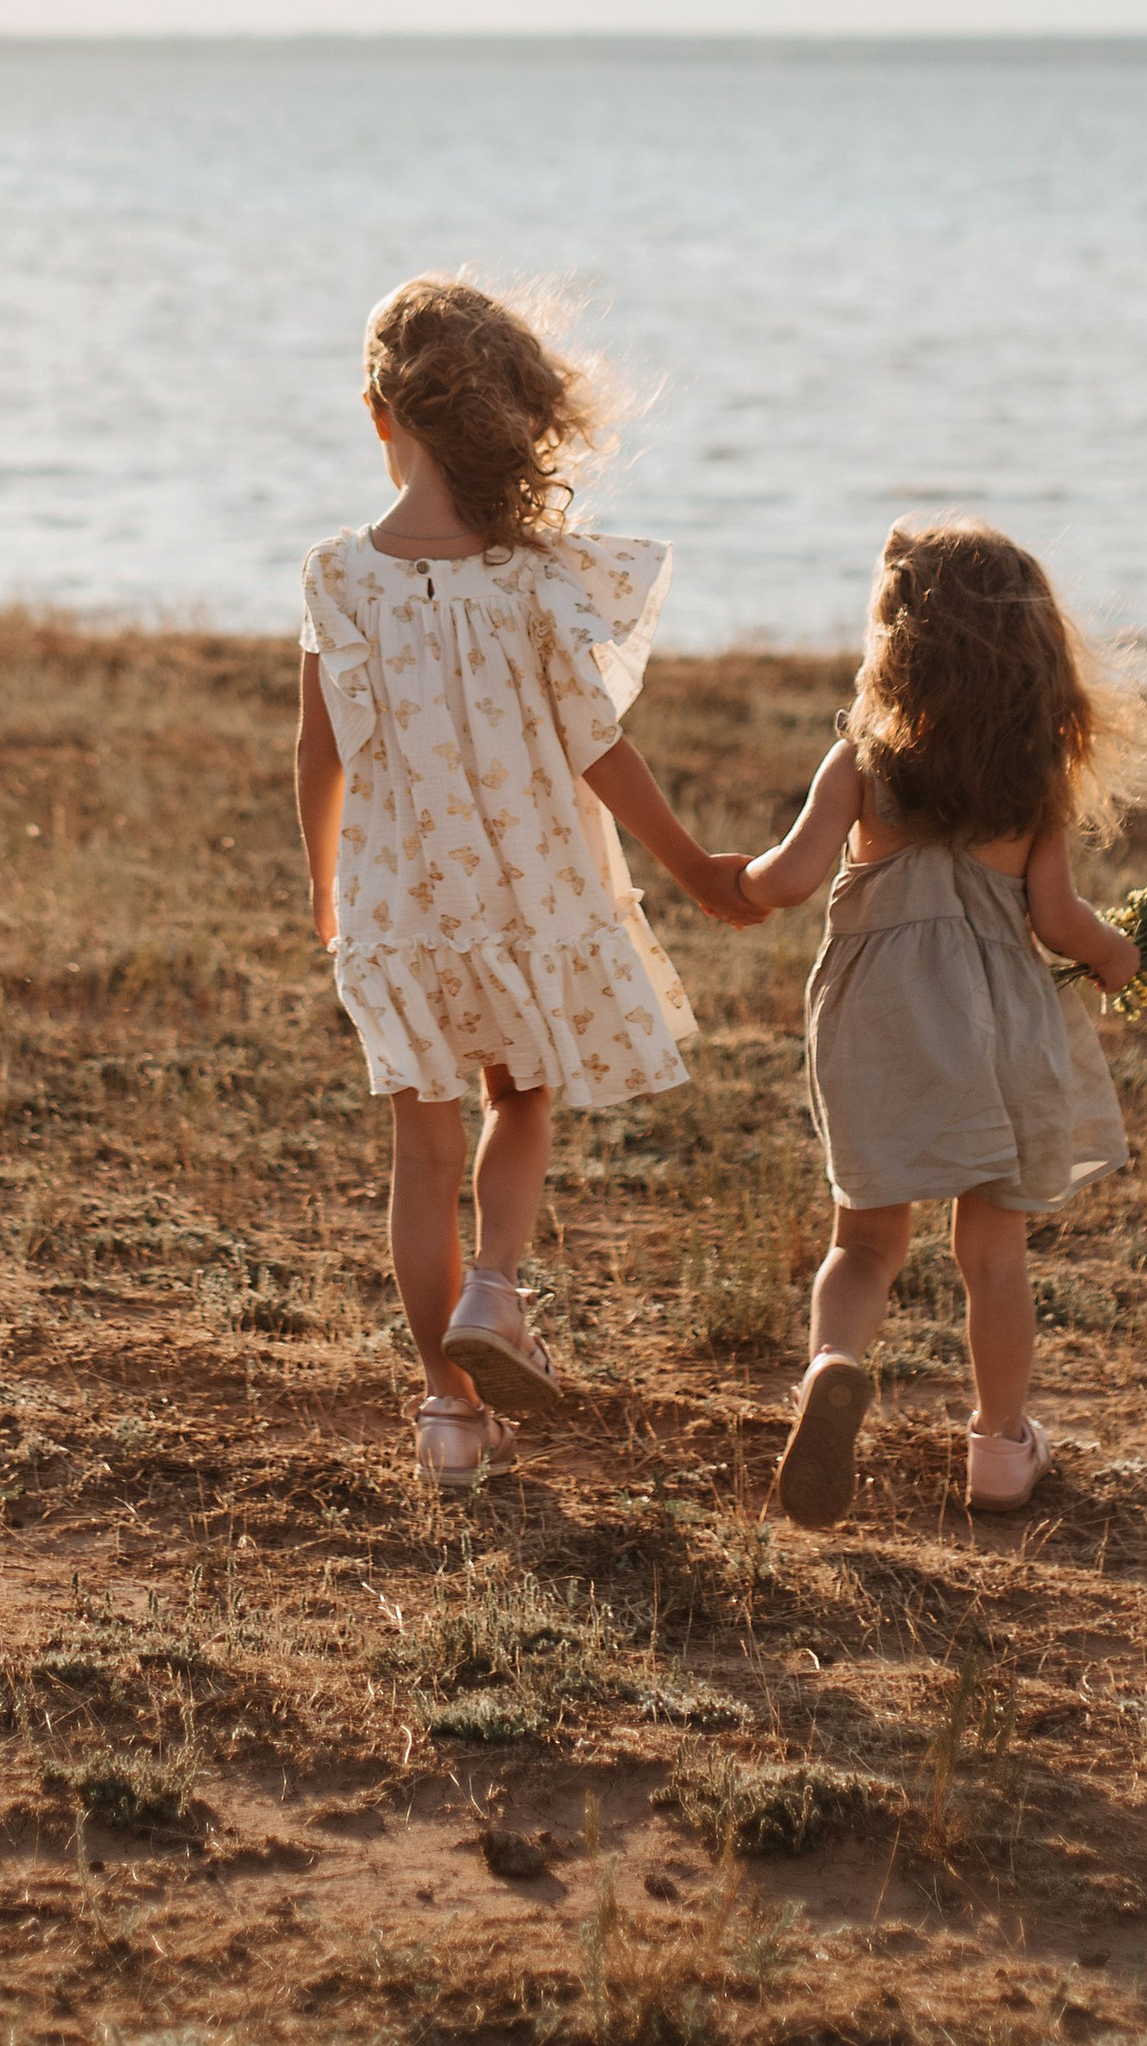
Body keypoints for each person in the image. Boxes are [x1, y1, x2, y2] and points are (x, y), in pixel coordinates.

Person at [295, 274, 758, 1491]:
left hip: (401, 907)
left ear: (376, 412)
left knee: (419, 1157)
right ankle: (494, 1290)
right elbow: (598, 746)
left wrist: (325, 893)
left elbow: (317, 751)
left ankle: (445, 1416)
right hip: (528, 894)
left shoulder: (337, 574)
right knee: (522, 1094)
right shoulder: (536, 578)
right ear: (510, 421)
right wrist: (696, 867)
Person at [735, 521, 1147, 1527]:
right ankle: (1000, 1449)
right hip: (999, 1032)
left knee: (866, 1245)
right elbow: (1056, 921)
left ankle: (832, 1369)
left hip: (881, 1024)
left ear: (897, 642)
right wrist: (1113, 954)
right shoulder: (1033, 784)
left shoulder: (860, 763)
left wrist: (733, 880)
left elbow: (789, 880)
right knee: (992, 1255)